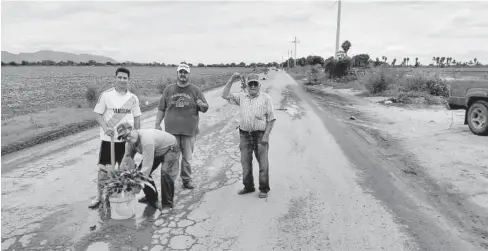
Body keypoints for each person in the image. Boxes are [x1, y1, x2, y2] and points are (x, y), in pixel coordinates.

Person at [89, 67, 142, 209]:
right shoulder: (106, 95)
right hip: (109, 141)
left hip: (127, 142)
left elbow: (137, 118)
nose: (122, 80)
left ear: (128, 80)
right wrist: (106, 128)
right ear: (115, 78)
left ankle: (123, 197)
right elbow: (98, 114)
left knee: (126, 171)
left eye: (125, 78)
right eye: (120, 77)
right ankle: (99, 197)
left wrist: (137, 136)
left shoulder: (133, 98)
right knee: (104, 171)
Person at [221, 73, 276, 198]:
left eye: (255, 83)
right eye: (250, 83)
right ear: (247, 85)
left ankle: (263, 188)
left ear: (259, 85)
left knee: (263, 163)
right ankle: (248, 187)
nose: (252, 86)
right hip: (245, 135)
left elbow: (271, 118)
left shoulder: (266, 98)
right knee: (245, 162)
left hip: (260, 135)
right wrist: (231, 79)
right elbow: (224, 95)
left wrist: (266, 135)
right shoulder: (241, 97)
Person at [155, 63, 209, 190]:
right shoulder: (168, 89)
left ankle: (186, 180)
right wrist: (157, 124)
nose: (183, 74)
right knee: (172, 158)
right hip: (171, 133)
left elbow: (205, 108)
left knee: (187, 159)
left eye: (185, 72)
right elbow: (161, 109)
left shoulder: (195, 90)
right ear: (177, 73)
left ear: (189, 74)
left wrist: (202, 105)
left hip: (189, 131)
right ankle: (170, 181)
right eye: (181, 72)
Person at [117, 122, 180, 210]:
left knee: (165, 173)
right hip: (156, 151)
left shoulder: (146, 140)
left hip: (170, 149)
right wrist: (120, 177)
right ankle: (152, 198)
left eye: (128, 135)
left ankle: (167, 205)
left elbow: (146, 168)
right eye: (123, 138)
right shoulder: (129, 143)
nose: (127, 138)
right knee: (139, 173)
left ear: (133, 129)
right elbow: (126, 159)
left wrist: (136, 187)